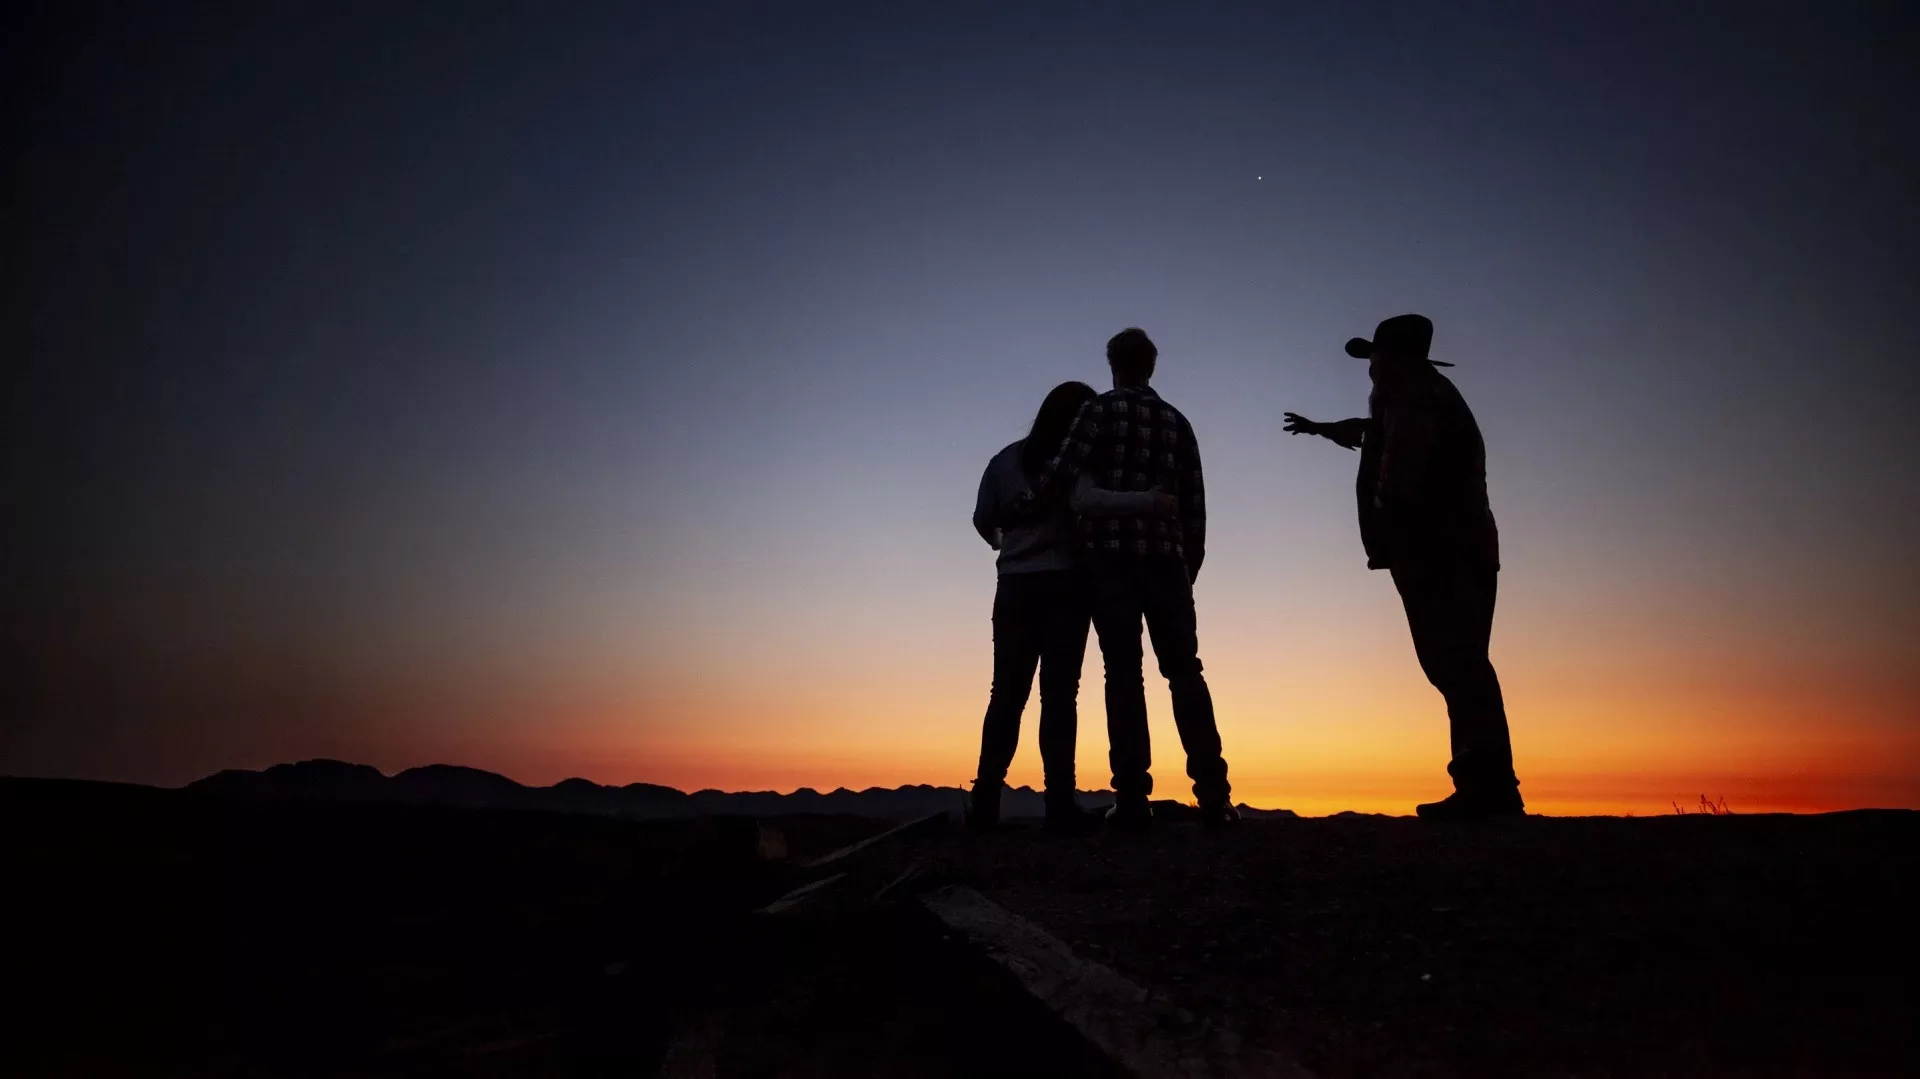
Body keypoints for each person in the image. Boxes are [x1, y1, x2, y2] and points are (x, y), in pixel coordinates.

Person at [1282, 314, 1524, 820]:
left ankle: (1489, 792)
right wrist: (1324, 429)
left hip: (1437, 550)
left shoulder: (1411, 396)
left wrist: (1396, 531)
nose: (1369, 367)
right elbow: (1375, 433)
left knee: (1456, 664)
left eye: (1373, 356)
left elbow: (1403, 473)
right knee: (1462, 665)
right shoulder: (1422, 395)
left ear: (1393, 359)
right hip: (1461, 547)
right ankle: (1487, 787)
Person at [1015, 329, 1235, 830]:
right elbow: (1195, 504)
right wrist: (1188, 566)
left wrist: (1024, 504)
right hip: (1167, 562)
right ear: (1152, 367)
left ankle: (1133, 798)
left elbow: (1063, 472)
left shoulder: (1100, 413)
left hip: (1110, 562)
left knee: (1124, 675)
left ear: (1112, 363)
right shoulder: (1178, 423)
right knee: (1185, 672)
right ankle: (1215, 797)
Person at [969, 381, 1178, 832]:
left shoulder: (1005, 460)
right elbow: (1094, 505)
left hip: (1015, 588)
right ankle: (1059, 801)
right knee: (1059, 697)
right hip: (1067, 584)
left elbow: (982, 519)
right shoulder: (1080, 463)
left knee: (1006, 693)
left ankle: (984, 798)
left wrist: (1008, 545)